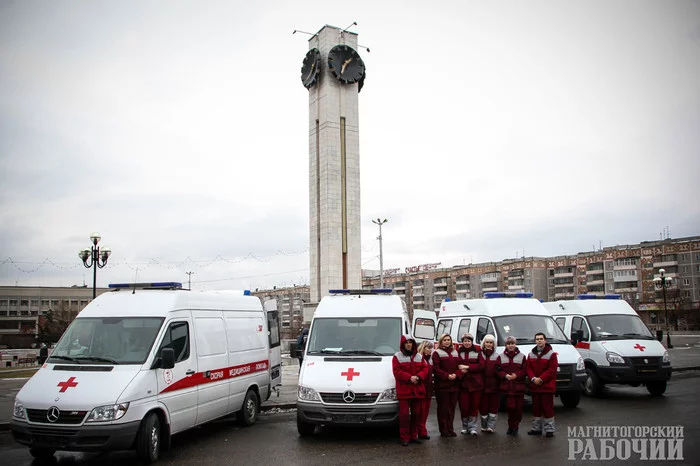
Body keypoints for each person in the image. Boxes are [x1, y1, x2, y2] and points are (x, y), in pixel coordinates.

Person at [392, 334, 428, 446]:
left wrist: (419, 377)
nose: (409, 344)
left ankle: (414, 436)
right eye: (406, 343)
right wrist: (409, 378)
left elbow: (425, 368)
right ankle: (404, 437)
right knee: (404, 415)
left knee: (416, 413)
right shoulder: (397, 357)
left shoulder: (418, 356)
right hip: (404, 390)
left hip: (417, 390)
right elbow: (397, 372)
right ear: (403, 344)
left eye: (410, 342)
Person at [527, 332, 558, 437]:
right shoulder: (531, 354)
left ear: (545, 340)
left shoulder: (551, 354)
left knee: (547, 408)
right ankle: (536, 429)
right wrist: (533, 378)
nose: (539, 341)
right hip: (535, 386)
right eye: (537, 339)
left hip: (546, 387)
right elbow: (528, 368)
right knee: (536, 408)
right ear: (535, 341)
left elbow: (552, 370)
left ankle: (549, 430)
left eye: (541, 339)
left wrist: (541, 379)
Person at [497, 335, 527, 435]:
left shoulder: (522, 356)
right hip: (508, 388)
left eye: (512, 343)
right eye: (509, 344)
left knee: (518, 410)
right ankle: (511, 426)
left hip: (518, 387)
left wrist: (516, 375)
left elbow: (524, 370)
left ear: (515, 344)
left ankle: (515, 426)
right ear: (506, 345)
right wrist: (504, 375)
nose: (511, 346)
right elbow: (497, 369)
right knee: (511, 408)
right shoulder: (501, 356)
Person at [432, 333, 460, 437]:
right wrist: (447, 376)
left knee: (452, 408)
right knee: (443, 408)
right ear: (441, 341)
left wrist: (456, 375)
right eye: (445, 340)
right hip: (442, 386)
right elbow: (436, 369)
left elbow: (460, 366)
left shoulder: (455, 352)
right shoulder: (437, 353)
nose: (447, 341)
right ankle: (443, 430)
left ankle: (450, 428)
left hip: (454, 385)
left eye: (448, 339)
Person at [457, 333, 484, 435]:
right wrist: (462, 368)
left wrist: (468, 367)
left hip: (476, 383)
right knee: (464, 406)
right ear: (462, 342)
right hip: (463, 384)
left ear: (472, 342)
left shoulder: (477, 351)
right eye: (465, 341)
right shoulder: (458, 352)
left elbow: (481, 365)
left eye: (469, 341)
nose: (467, 343)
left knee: (474, 406)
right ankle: (464, 427)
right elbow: (457, 365)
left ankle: (472, 427)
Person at [479, 334, 500, 433]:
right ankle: (483, 425)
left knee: (493, 407)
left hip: (494, 385)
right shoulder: (479, 354)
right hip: (481, 385)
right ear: (484, 343)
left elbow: (499, 370)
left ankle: (491, 426)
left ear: (493, 344)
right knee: (483, 407)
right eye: (487, 342)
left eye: (491, 342)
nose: (488, 344)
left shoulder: (497, 356)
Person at [416, 340, 434, 440]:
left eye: (431, 348)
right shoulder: (419, 359)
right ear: (423, 348)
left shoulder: (430, 359)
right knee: (420, 411)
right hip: (421, 388)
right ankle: (420, 430)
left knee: (425, 411)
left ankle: (422, 430)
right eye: (428, 348)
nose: (430, 350)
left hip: (429, 388)